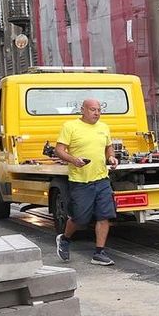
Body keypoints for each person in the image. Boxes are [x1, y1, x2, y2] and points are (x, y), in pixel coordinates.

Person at [54, 98, 118, 266]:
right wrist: (73, 160)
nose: (96, 113)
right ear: (82, 110)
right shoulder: (70, 126)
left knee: (104, 216)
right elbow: (59, 150)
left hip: (102, 179)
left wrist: (111, 157)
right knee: (80, 219)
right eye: (92, 109)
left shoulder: (104, 127)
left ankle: (99, 253)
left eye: (99, 110)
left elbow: (108, 147)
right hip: (80, 181)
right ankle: (65, 239)